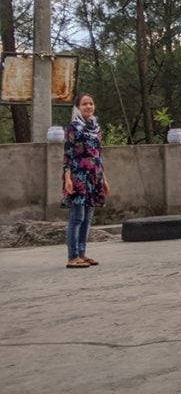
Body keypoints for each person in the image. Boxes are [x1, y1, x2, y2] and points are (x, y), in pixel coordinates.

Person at [62, 93, 109, 269]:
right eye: (84, 104)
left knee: (88, 217)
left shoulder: (95, 128)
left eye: (91, 103)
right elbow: (67, 154)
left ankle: (82, 253)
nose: (88, 107)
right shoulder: (73, 128)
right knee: (77, 217)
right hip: (78, 176)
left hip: (94, 176)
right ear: (78, 108)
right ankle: (72, 256)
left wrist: (104, 179)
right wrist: (67, 178)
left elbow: (98, 155)